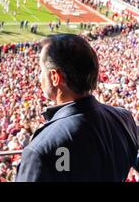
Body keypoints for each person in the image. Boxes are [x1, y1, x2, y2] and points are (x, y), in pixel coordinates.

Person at [16, 34, 138, 182]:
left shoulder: (42, 148)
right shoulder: (124, 119)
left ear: (55, 77)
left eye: (41, 70)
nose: (39, 76)